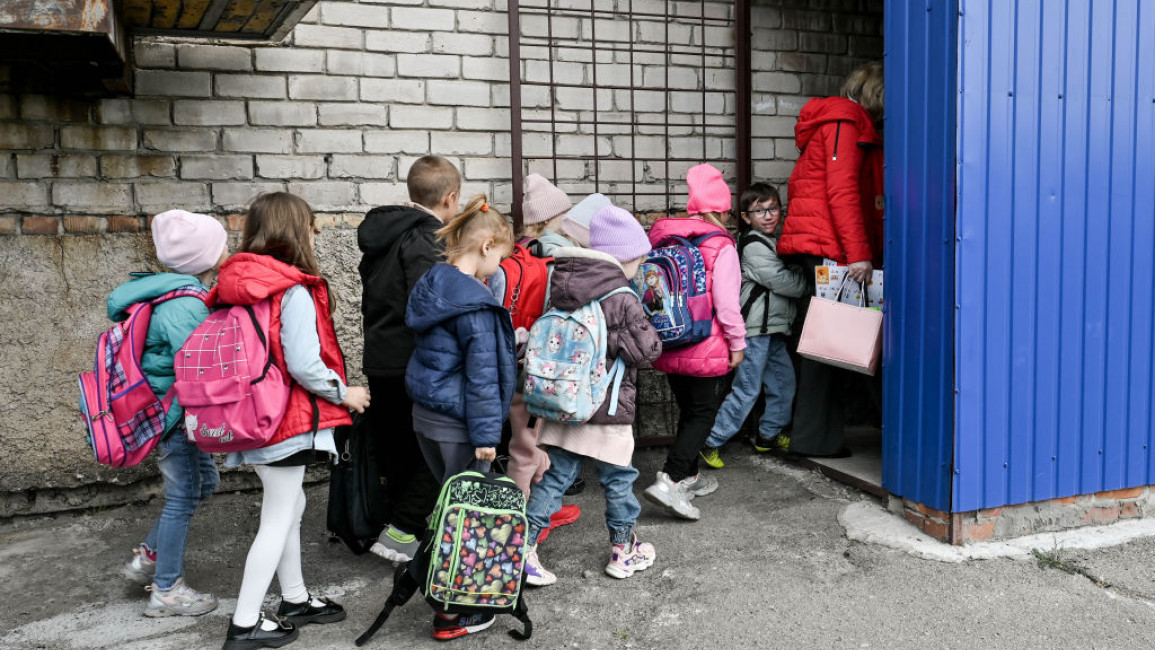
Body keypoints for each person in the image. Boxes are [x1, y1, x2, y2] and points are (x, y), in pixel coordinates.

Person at [218, 192, 370, 650]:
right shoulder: (291, 290)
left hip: (251, 415)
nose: (314, 234)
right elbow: (304, 365)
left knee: (289, 507)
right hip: (284, 420)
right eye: (309, 225)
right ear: (294, 232)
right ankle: (244, 624)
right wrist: (347, 394)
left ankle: (295, 600)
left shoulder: (239, 286)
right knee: (278, 515)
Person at [522, 204, 662, 586]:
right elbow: (646, 351)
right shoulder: (621, 295)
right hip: (607, 407)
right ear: (624, 257)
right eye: (639, 258)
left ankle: (523, 550)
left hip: (566, 402)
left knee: (553, 480)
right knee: (619, 481)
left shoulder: (566, 281)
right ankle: (623, 550)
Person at [404, 195, 517, 641]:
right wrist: (488, 438)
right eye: (501, 258)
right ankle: (453, 610)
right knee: (466, 516)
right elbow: (482, 378)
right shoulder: (476, 304)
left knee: (446, 506)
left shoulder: (436, 283)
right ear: (487, 246)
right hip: (461, 427)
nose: (498, 268)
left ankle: (446, 592)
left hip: (428, 417)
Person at [114, 209, 228, 617]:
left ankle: (149, 554)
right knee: (182, 497)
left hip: (176, 415)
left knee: (204, 483)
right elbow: (194, 370)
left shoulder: (171, 293)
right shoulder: (185, 305)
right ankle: (166, 590)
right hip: (176, 418)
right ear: (207, 256)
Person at [778, 61, 884, 458]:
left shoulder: (839, 121)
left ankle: (815, 438)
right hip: (831, 247)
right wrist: (859, 255)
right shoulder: (843, 124)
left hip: (825, 243)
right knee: (833, 344)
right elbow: (843, 195)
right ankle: (817, 439)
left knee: (831, 343)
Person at [357, 155, 460, 563]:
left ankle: (398, 524)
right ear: (451, 198)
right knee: (435, 445)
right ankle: (404, 529)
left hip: (380, 356)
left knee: (398, 445)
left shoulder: (386, 234)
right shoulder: (428, 238)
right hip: (414, 359)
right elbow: (429, 302)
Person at [641, 164, 746, 520]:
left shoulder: (665, 240)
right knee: (703, 414)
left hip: (670, 341)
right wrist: (737, 343)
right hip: (708, 345)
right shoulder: (721, 247)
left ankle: (688, 477)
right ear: (724, 210)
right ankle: (670, 480)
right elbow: (728, 305)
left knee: (689, 411)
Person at [699, 183, 808, 469]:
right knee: (747, 389)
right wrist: (806, 281)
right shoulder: (754, 245)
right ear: (746, 218)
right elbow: (782, 282)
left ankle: (768, 435)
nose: (769, 215)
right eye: (759, 211)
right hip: (754, 332)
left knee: (784, 384)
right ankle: (710, 441)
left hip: (771, 330)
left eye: (773, 208)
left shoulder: (771, 241)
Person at [520, 173, 576, 255]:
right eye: (564, 212)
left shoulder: (524, 246)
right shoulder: (554, 248)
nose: (569, 217)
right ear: (547, 219)